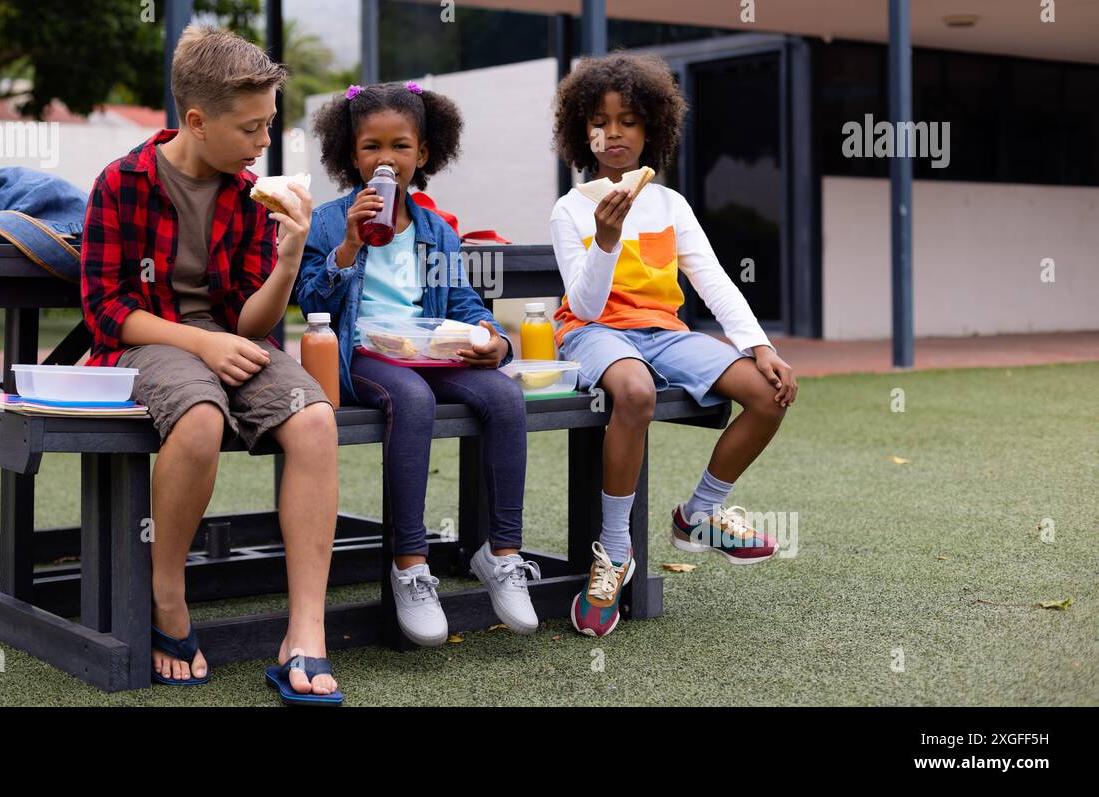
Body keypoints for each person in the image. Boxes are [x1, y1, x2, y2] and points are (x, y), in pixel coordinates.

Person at [81, 24, 341, 702]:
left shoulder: (251, 195)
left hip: (233, 344)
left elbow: (252, 322)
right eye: (251, 129)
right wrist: (201, 342)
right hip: (145, 347)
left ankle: (304, 632)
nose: (263, 144)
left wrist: (287, 262)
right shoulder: (122, 183)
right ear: (196, 121)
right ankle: (169, 598)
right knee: (197, 419)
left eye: (268, 126)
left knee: (314, 419)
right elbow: (105, 310)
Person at [549, 53, 798, 638]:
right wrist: (606, 239)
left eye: (629, 120)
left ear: (652, 129)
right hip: (592, 334)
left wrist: (758, 345)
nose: (613, 133)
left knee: (769, 393)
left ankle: (700, 514)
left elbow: (711, 279)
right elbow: (584, 307)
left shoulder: (669, 204)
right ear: (580, 131)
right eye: (600, 121)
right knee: (633, 393)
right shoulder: (571, 208)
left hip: (663, 333)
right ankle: (614, 553)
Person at [297, 81, 539, 647]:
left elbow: (461, 305)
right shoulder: (331, 222)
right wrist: (350, 247)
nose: (386, 160)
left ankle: (501, 553)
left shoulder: (437, 233)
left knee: (504, 394)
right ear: (350, 156)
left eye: (400, 147)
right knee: (411, 398)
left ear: (423, 154)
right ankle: (410, 563)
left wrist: (493, 339)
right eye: (371, 147)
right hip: (358, 355)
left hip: (425, 352)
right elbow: (310, 303)